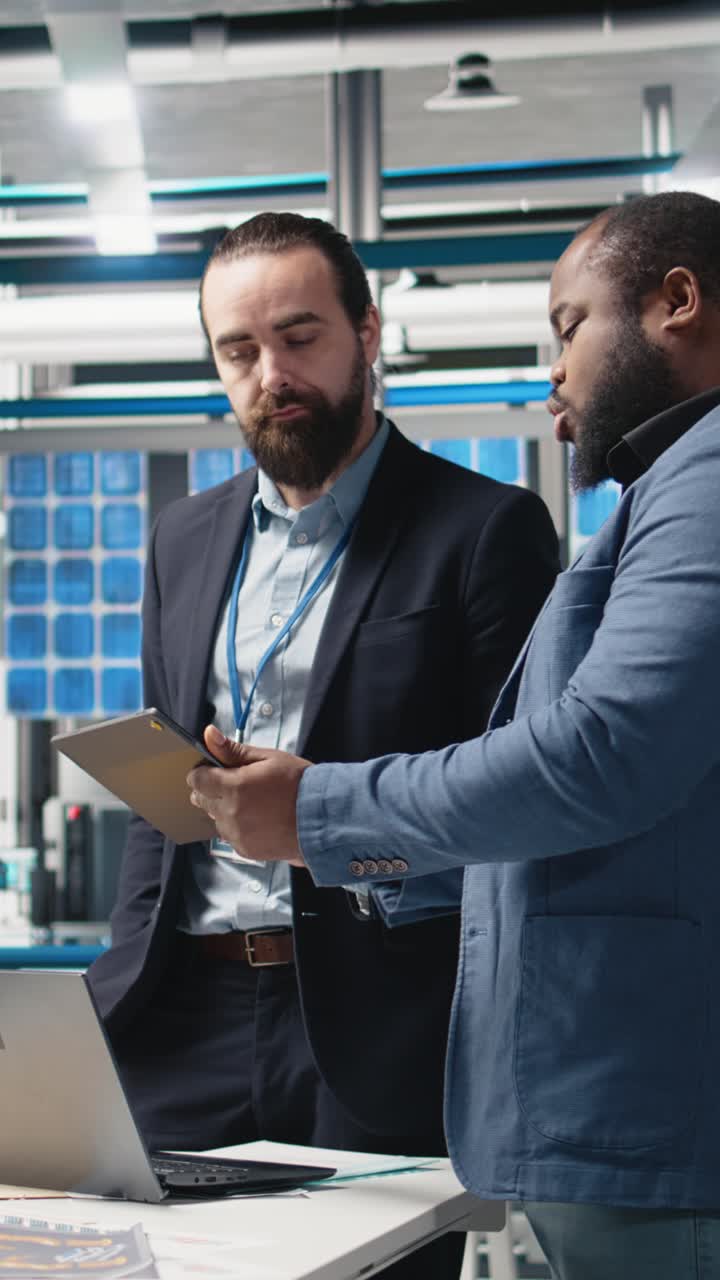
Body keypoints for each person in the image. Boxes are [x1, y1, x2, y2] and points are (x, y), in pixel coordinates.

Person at [186, 190, 720, 1280]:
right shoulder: (669, 488)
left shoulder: (705, 479)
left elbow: (602, 752)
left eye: (570, 326)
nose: (554, 372)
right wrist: (378, 866)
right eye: (236, 348)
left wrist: (322, 813)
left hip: (651, 1109)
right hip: (600, 1112)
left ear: (677, 302)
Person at [87, 211, 558, 1279]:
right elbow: (167, 804)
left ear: (368, 332)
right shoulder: (185, 536)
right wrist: (116, 980)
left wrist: (331, 827)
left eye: (299, 337)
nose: (271, 373)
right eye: (239, 350)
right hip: (182, 1013)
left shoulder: (483, 528)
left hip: (373, 1020)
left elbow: (521, 803)